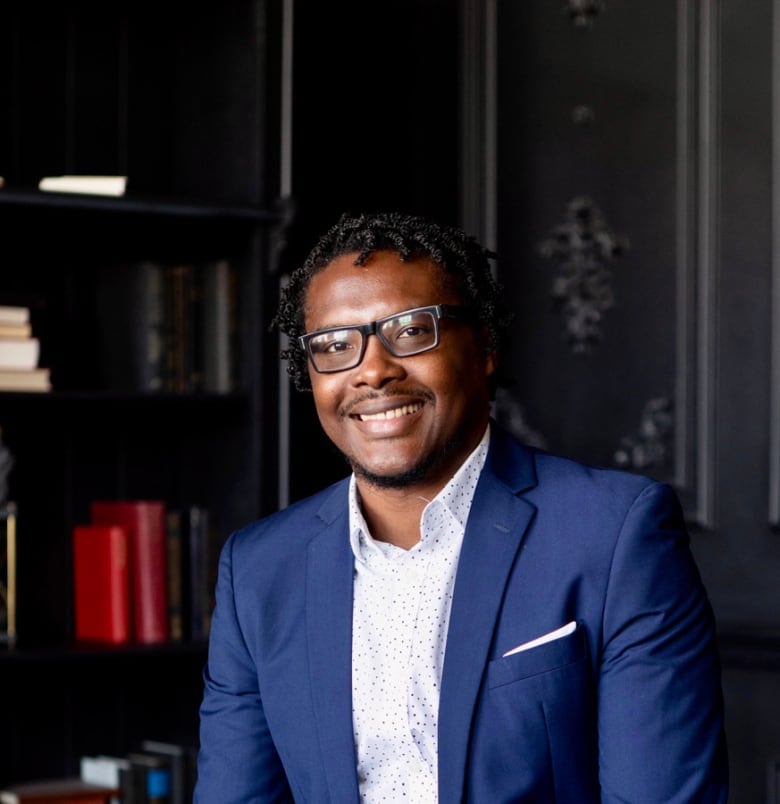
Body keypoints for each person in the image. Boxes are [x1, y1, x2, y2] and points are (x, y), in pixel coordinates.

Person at [195, 211, 728, 802]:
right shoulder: (258, 569)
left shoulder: (614, 535)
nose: (372, 370)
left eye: (411, 331)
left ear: (486, 348)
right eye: (336, 345)